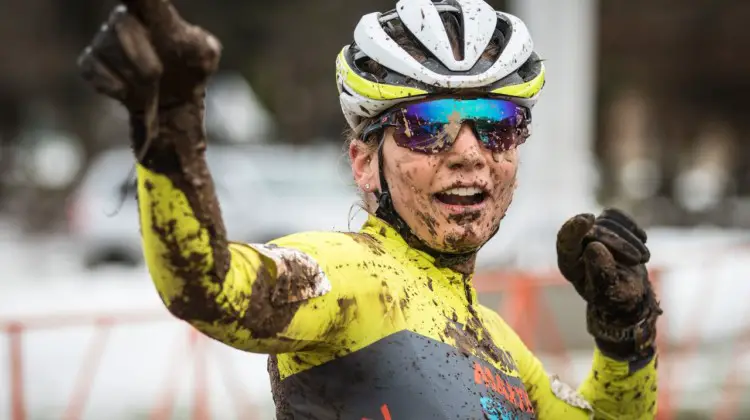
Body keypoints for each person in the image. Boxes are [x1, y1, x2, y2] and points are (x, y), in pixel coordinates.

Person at [77, 0, 662, 418]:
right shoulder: (354, 277)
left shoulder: (497, 341)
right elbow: (208, 286)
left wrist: (624, 336)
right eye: (428, 125)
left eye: (495, 125)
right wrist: (171, 126)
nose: (468, 154)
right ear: (363, 163)